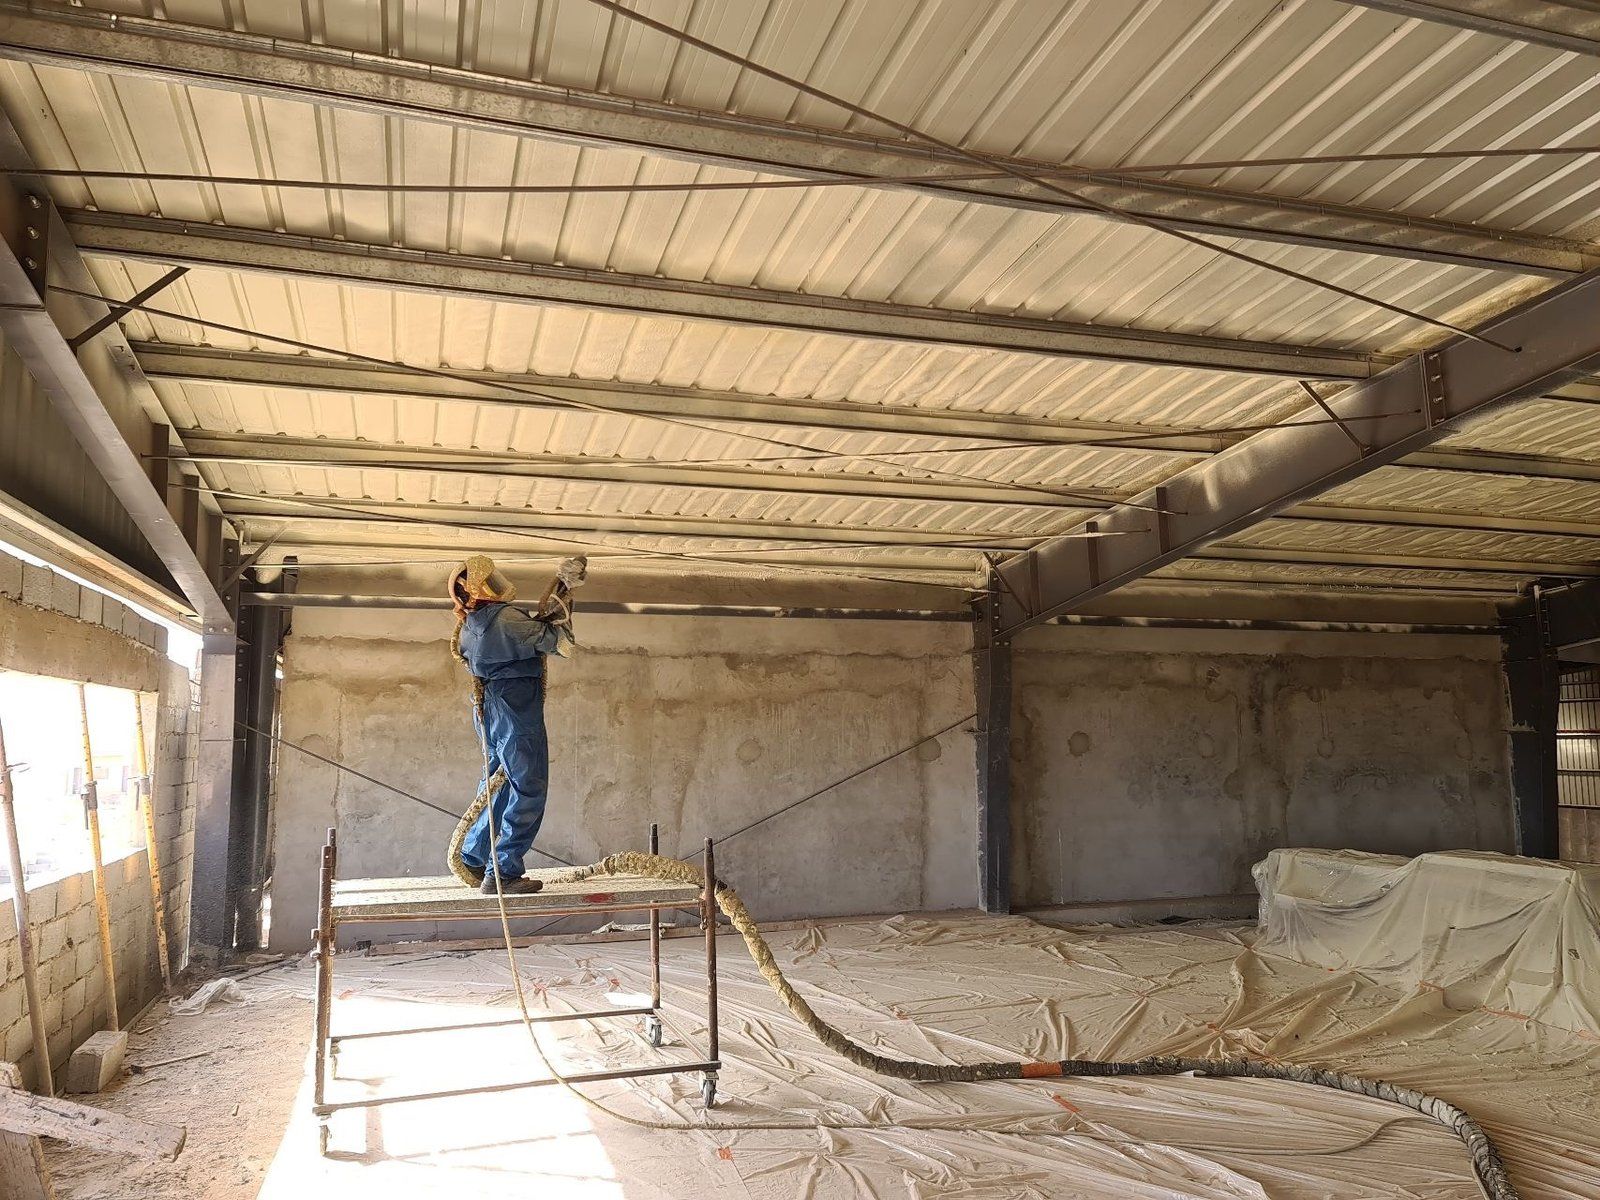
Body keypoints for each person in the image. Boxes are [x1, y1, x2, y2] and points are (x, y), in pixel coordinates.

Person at [449, 554, 579, 895]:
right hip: (515, 705)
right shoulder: (506, 619)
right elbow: (562, 644)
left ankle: (476, 854)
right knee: (527, 785)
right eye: (488, 582)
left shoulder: (470, 625)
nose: (497, 585)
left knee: (496, 781)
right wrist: (566, 591)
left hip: (487, 706)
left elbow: (531, 634)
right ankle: (503, 871)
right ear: (475, 592)